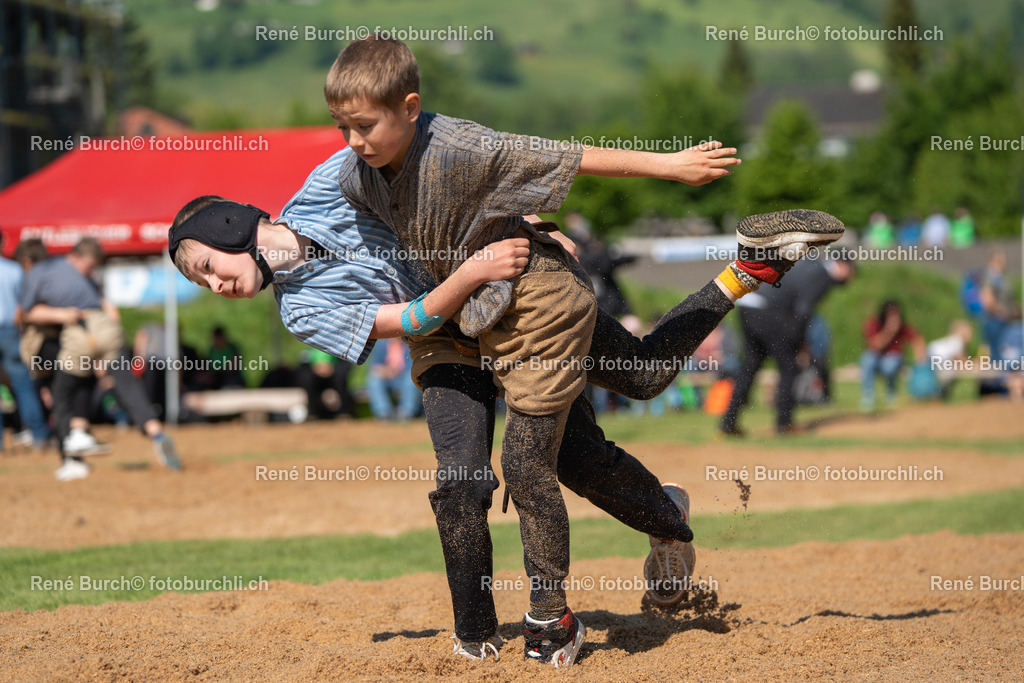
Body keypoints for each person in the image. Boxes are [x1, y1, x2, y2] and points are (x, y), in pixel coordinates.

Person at [169, 147, 843, 667]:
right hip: (444, 343)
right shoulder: (299, 310)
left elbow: (456, 165)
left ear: (230, 227)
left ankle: (744, 273)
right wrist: (472, 271)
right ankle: (476, 634)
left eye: (205, 265)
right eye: (200, 280)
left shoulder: (329, 182)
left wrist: (523, 229)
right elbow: (407, 318)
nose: (213, 285)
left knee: (622, 401)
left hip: (517, 307)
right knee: (462, 480)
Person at [324, 36, 845, 665]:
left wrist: (670, 167)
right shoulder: (356, 170)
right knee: (645, 378)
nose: (351, 141)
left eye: (363, 125)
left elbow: (562, 156)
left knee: (524, 466)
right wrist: (252, 254)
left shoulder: (462, 146)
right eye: (341, 126)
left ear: (409, 107)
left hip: (538, 308)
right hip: (472, 319)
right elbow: (306, 218)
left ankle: (552, 619)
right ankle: (748, 271)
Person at [19, 238, 183, 479]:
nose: (90, 270)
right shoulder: (82, 279)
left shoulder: (40, 273)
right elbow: (110, 311)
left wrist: (63, 315)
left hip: (81, 332)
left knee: (62, 392)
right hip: (107, 331)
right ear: (74, 257)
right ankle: (155, 432)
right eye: (89, 265)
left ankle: (72, 454)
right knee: (124, 386)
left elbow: (23, 314)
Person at [720, 258, 855, 436]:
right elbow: (803, 310)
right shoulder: (822, 275)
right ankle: (784, 424)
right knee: (789, 366)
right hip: (768, 311)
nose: (850, 278)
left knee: (751, 365)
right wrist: (799, 343)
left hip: (747, 305)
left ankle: (728, 423)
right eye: (851, 273)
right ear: (843, 266)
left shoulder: (809, 264)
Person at [0, 233, 51, 452]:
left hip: (11, 330)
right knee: (23, 385)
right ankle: (39, 436)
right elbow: (26, 303)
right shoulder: (14, 270)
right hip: (11, 330)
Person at [859, 300, 926, 411]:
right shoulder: (874, 324)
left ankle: (891, 393)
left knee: (891, 363)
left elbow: (917, 338)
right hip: (876, 358)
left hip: (892, 360)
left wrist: (920, 356)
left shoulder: (902, 326)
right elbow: (875, 345)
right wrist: (889, 331)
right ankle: (868, 396)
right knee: (867, 359)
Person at [366, 337, 421, 420]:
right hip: (387, 378)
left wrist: (396, 371)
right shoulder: (381, 345)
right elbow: (374, 366)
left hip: (404, 377)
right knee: (374, 381)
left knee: (410, 380)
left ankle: (407, 413)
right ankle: (384, 413)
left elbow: (413, 367)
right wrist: (386, 371)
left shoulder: (410, 344)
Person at [926, 320, 973, 399]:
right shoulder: (958, 341)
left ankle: (940, 394)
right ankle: (940, 394)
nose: (971, 336)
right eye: (969, 332)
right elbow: (959, 359)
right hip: (933, 358)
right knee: (953, 374)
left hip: (931, 355)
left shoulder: (954, 340)